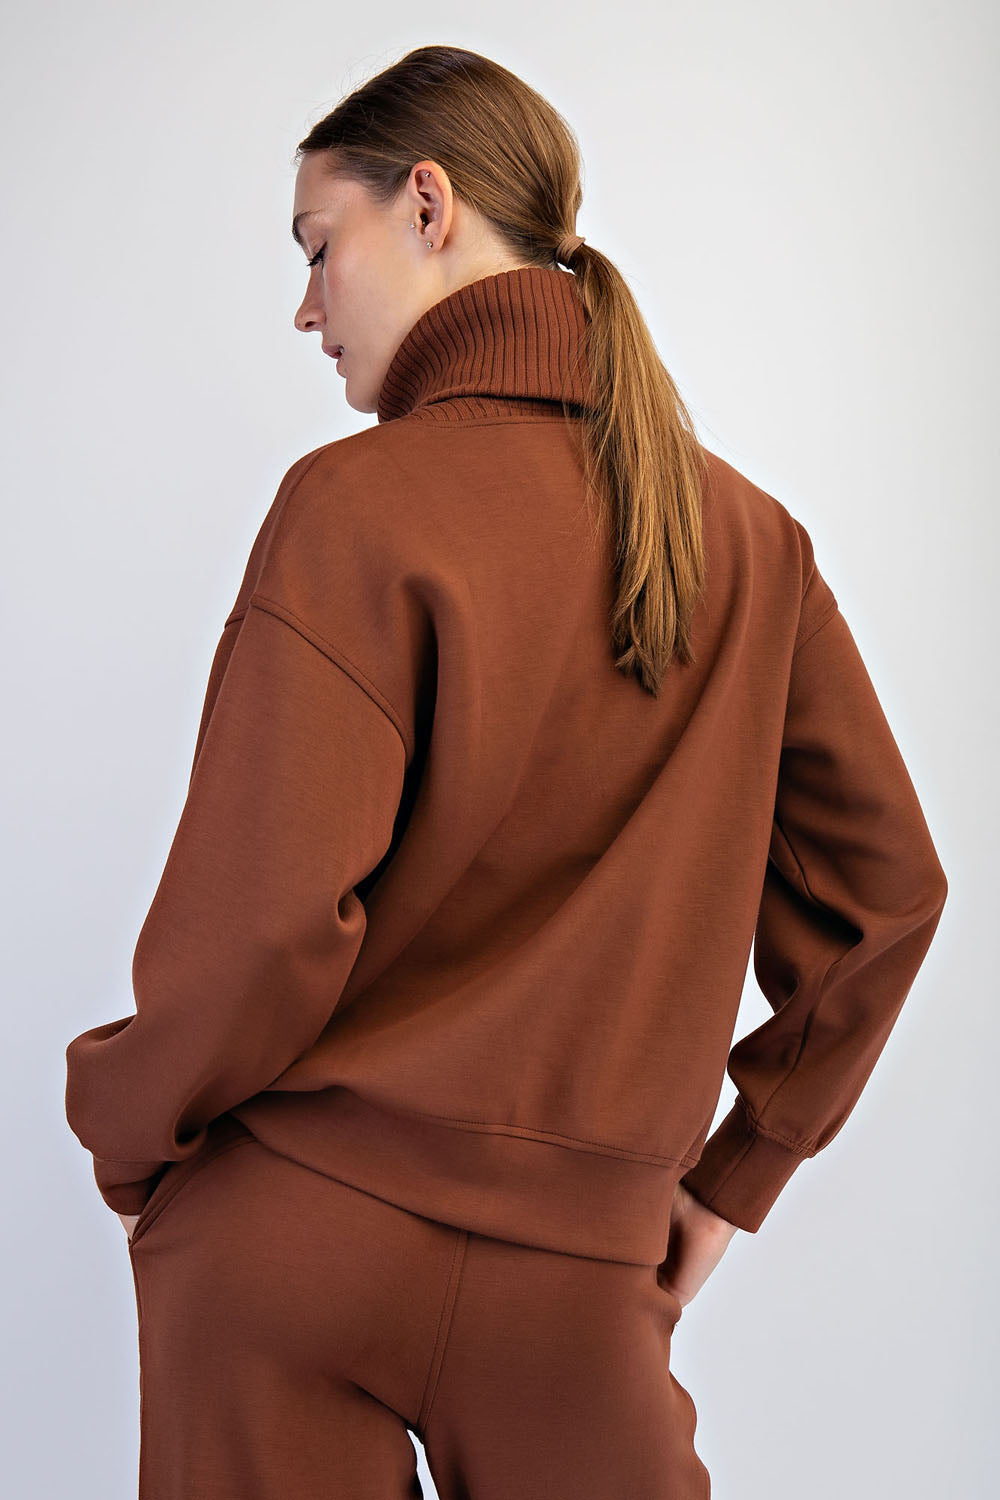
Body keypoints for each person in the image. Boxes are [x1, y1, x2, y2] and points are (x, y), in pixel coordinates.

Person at [64, 43, 948, 1500]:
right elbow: (888, 900)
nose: (305, 308)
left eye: (316, 247)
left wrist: (126, 1131)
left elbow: (262, 929)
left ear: (428, 204)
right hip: (578, 1276)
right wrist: (734, 1180)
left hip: (288, 1239)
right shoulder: (750, 542)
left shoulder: (354, 508)